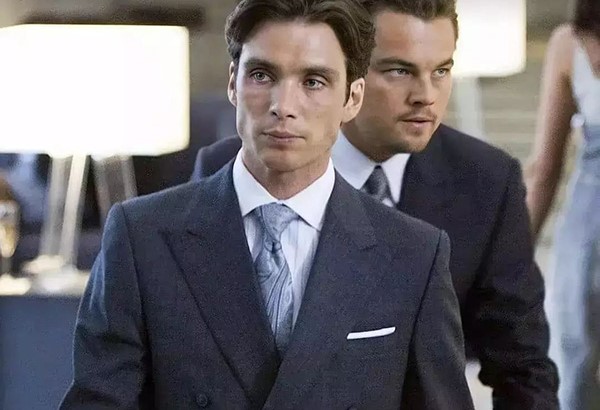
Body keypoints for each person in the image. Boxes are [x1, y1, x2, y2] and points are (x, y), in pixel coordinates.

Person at [61, 0, 474, 408]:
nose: (283, 106)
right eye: (262, 75)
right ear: (233, 83)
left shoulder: (414, 255)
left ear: (352, 97)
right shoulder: (141, 236)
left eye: (314, 81)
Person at [192, 0, 560, 408]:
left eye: (441, 71)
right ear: (351, 78)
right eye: (399, 71)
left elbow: (523, 366)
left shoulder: (487, 181)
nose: (426, 96)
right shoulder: (225, 169)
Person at [525, 0, 600, 408]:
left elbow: (545, 170)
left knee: (575, 357)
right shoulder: (568, 44)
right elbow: (544, 170)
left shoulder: (570, 44)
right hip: (589, 226)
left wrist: (513, 259)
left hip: (590, 227)